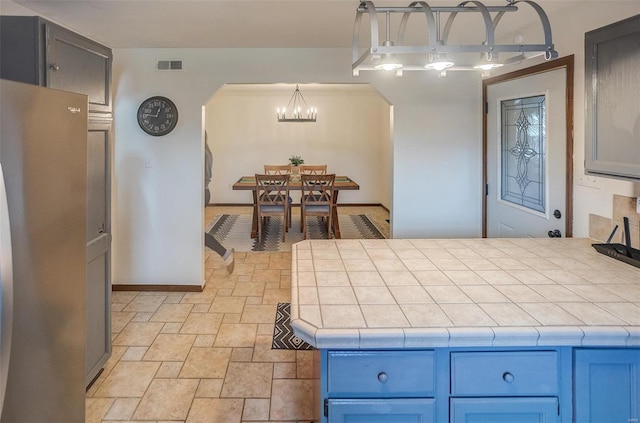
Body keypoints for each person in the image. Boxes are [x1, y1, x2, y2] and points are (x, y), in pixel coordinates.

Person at [204, 132, 234, 273]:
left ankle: (224, 253)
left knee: (191, 231)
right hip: (204, 191)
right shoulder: (206, 151)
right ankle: (225, 254)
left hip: (199, 192)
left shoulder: (201, 152)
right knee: (191, 230)